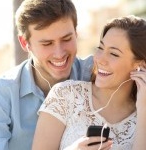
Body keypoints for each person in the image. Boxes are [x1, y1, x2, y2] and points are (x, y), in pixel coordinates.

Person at [0, 0, 93, 150]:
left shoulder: (96, 75)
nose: (59, 53)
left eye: (67, 39)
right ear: (25, 43)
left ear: (76, 34)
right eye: (47, 43)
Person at [32, 15, 146, 150]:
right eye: (100, 48)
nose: (99, 59)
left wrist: (143, 109)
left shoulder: (142, 113)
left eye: (114, 54)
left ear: (139, 66)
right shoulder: (65, 95)